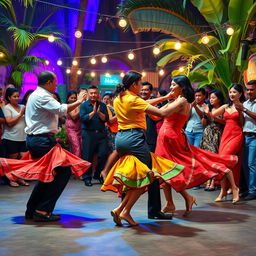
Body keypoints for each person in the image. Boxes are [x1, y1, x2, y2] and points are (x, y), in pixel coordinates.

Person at [101, 71, 189, 226]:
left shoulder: (119, 98)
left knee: (132, 175)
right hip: (134, 139)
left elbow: (146, 102)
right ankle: (124, 211)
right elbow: (161, 112)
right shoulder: (134, 99)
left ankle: (121, 210)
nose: (141, 87)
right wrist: (180, 101)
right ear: (134, 84)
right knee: (147, 176)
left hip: (121, 140)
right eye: (140, 84)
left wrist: (166, 98)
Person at [155, 75, 239, 216]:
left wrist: (138, 105)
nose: (170, 87)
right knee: (164, 172)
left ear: (181, 87)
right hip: (166, 137)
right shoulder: (177, 100)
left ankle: (185, 198)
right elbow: (156, 116)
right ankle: (171, 202)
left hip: (172, 138)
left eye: (173, 84)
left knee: (169, 170)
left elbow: (161, 113)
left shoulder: (182, 101)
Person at [23, 71, 87, 221]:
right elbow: (61, 110)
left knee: (48, 174)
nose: (56, 84)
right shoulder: (42, 96)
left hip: (38, 140)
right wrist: (79, 101)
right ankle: (42, 210)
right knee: (63, 171)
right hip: (42, 140)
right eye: (55, 82)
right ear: (48, 82)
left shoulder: (36, 95)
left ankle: (33, 210)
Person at [204, 84, 244, 201]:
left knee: (225, 159)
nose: (232, 94)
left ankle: (234, 188)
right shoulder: (226, 106)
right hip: (225, 135)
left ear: (240, 94)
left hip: (237, 135)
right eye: (230, 92)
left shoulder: (242, 106)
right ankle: (223, 191)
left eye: (234, 92)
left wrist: (241, 110)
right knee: (222, 161)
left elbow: (242, 123)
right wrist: (207, 111)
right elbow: (212, 115)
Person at [80, 85, 109, 186]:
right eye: (91, 93)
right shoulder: (84, 105)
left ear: (98, 94)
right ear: (88, 94)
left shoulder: (102, 105)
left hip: (101, 134)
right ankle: (87, 178)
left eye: (95, 93)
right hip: (88, 134)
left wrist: (99, 113)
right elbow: (83, 118)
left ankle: (98, 174)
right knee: (88, 156)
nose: (93, 95)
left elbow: (106, 119)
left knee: (103, 154)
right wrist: (93, 112)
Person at [233, 80, 256, 200]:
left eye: (252, 89)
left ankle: (253, 190)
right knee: (245, 165)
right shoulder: (245, 103)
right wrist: (240, 112)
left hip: (254, 136)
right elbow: (243, 122)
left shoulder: (247, 106)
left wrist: (244, 110)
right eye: (247, 89)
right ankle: (248, 189)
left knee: (252, 164)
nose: (249, 92)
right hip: (245, 136)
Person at [2, 88, 29, 187]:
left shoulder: (22, 106)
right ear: (9, 97)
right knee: (12, 161)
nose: (17, 98)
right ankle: (11, 179)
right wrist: (21, 114)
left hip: (23, 137)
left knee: (23, 159)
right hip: (11, 138)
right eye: (14, 96)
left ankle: (20, 178)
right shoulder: (7, 108)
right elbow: (9, 123)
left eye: (18, 96)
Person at [200, 90, 225, 191]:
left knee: (214, 158)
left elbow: (224, 122)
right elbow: (203, 123)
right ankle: (208, 180)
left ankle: (214, 181)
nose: (211, 100)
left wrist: (210, 114)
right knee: (207, 159)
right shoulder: (208, 108)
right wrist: (205, 115)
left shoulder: (223, 108)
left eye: (213, 97)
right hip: (207, 134)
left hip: (216, 134)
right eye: (210, 98)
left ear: (219, 98)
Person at [65, 90, 82, 157]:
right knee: (76, 148)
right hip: (71, 130)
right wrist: (80, 107)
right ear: (68, 98)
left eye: (75, 98)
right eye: (71, 98)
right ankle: (76, 167)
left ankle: (76, 165)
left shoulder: (78, 105)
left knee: (80, 148)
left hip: (79, 128)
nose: (73, 99)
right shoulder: (68, 106)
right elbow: (74, 116)